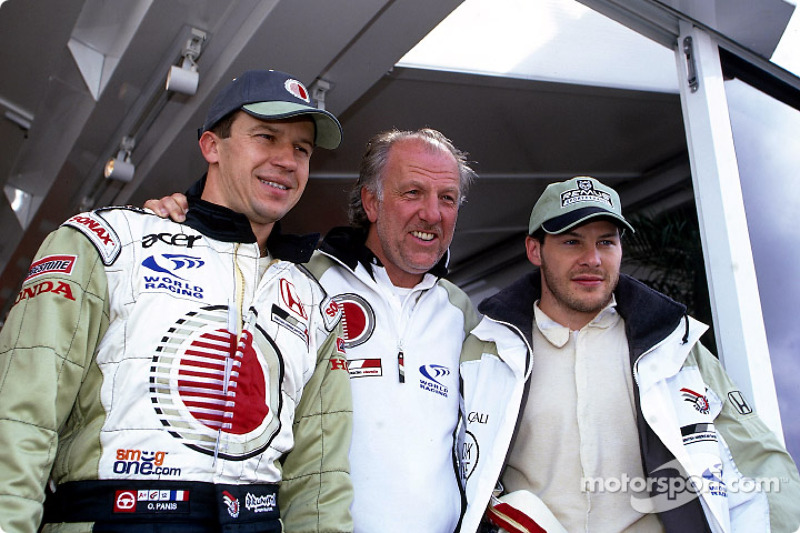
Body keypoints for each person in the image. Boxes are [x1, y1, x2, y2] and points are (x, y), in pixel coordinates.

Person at [0, 69, 354, 533]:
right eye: (266, 137)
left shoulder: (317, 304)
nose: (287, 160)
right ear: (211, 146)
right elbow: (20, 420)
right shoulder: (107, 244)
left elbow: (320, 482)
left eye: (302, 149)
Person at [146, 128, 480, 532]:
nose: (432, 213)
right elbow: (221, 269)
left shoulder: (465, 316)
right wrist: (184, 220)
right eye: (412, 192)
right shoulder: (300, 281)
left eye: (447, 198)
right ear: (371, 202)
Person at [457, 176, 800, 532]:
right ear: (535, 250)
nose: (591, 259)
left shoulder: (673, 345)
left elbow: (755, 461)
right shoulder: (484, 351)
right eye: (572, 241)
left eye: (606, 241)